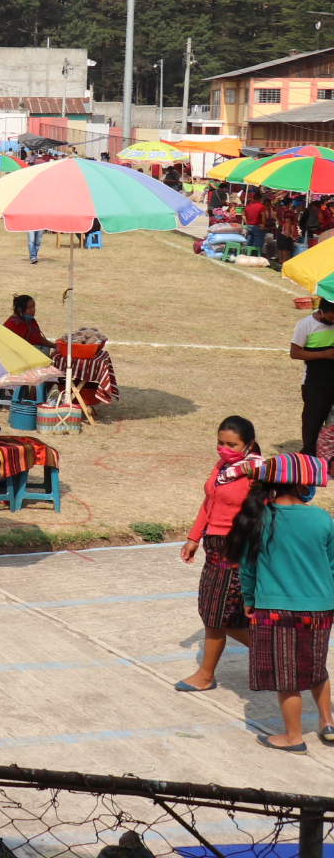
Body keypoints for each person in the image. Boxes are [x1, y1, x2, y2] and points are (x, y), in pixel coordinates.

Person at [225, 453, 334, 752]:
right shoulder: (324, 519)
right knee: (315, 667)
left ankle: (293, 736)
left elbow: (248, 567)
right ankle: (328, 722)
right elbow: (333, 565)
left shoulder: (260, 517)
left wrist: (249, 598)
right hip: (321, 609)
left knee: (287, 676)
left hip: (275, 610)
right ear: (302, 486)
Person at [176, 415, 258, 693]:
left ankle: (270, 650)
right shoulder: (223, 467)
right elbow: (209, 501)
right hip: (213, 548)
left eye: (232, 444)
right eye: (220, 443)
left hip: (235, 549)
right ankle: (207, 674)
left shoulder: (256, 473)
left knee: (219, 615)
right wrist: (194, 537)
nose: (224, 449)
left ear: (249, 445)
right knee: (212, 612)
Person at [291, 299, 334, 445]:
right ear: (321, 312)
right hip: (315, 384)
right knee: (313, 424)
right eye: (331, 318)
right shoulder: (306, 325)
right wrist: (323, 354)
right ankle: (310, 455)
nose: (333, 321)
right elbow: (295, 353)